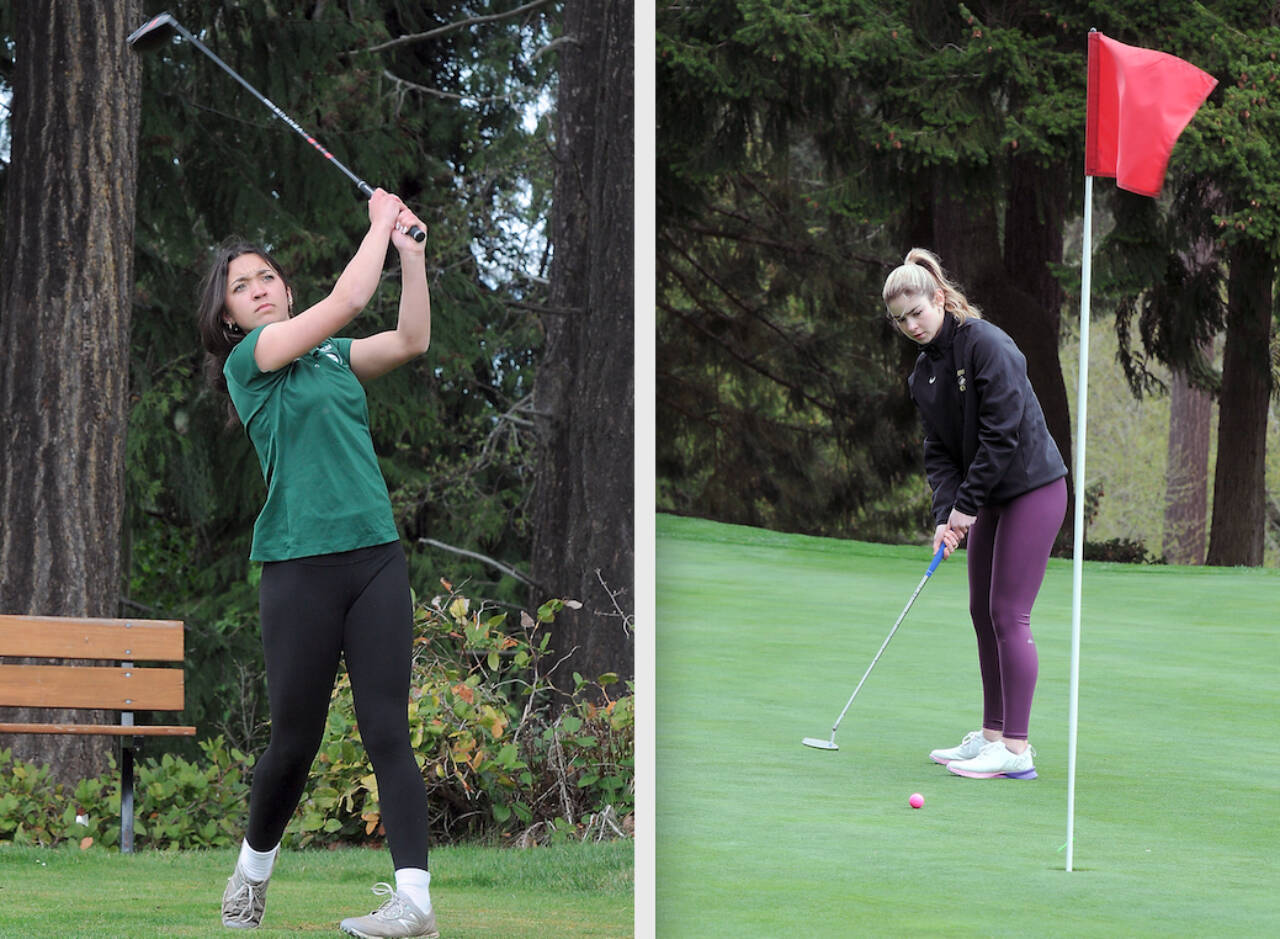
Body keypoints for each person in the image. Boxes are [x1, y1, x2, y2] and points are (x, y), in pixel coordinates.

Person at [197, 189, 439, 937]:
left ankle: (415, 903)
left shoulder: (332, 356)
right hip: (298, 569)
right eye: (243, 286)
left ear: (284, 288)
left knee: (386, 729)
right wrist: (374, 224)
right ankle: (253, 868)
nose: (259, 288)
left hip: (373, 557)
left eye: (266, 276)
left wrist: (411, 253)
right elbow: (348, 297)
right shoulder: (252, 360)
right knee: (293, 742)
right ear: (230, 317)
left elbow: (408, 341)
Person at [882, 248, 1067, 781]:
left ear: (939, 297)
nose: (911, 326)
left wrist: (967, 506)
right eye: (900, 320)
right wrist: (947, 513)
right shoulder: (924, 374)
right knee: (980, 612)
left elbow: (1001, 435)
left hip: (1033, 487)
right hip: (987, 498)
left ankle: (1016, 748)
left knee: (1009, 613)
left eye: (917, 312)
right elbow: (938, 452)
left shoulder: (987, 345)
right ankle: (990, 736)